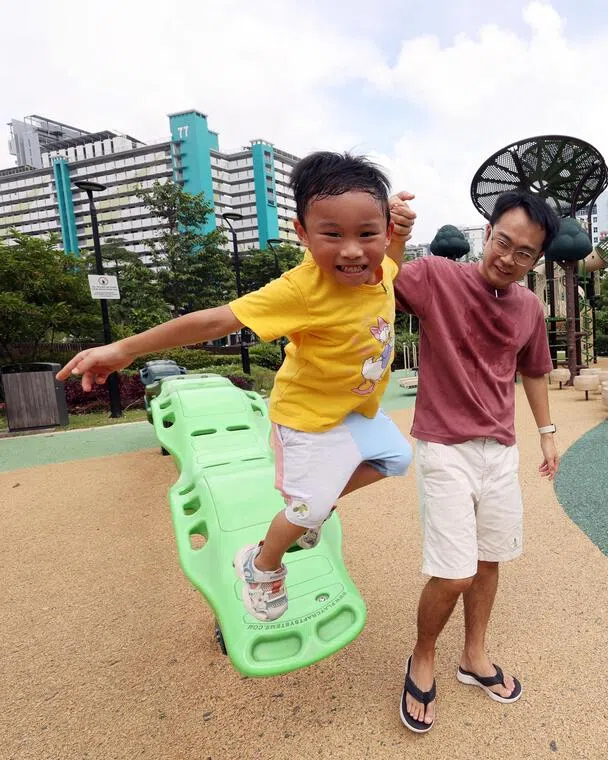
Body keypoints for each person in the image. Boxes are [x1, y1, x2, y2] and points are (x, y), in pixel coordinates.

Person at [56, 152, 417, 622]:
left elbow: (391, 264)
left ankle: (314, 509)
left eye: (366, 234)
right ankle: (260, 564)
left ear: (383, 230)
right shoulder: (302, 289)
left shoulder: (379, 267)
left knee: (397, 459)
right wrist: (126, 348)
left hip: (353, 410)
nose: (351, 251)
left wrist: (401, 238)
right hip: (306, 420)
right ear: (302, 233)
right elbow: (215, 320)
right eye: (332, 235)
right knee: (306, 511)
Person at [389, 190, 560, 733]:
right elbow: (379, 280)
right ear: (487, 234)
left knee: (490, 561)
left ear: (536, 261)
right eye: (503, 242)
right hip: (444, 444)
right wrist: (393, 232)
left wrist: (547, 434)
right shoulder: (438, 276)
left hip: (500, 450)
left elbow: (533, 371)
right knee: (453, 571)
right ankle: (422, 653)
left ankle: (474, 655)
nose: (508, 257)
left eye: (524, 253)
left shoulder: (529, 307)